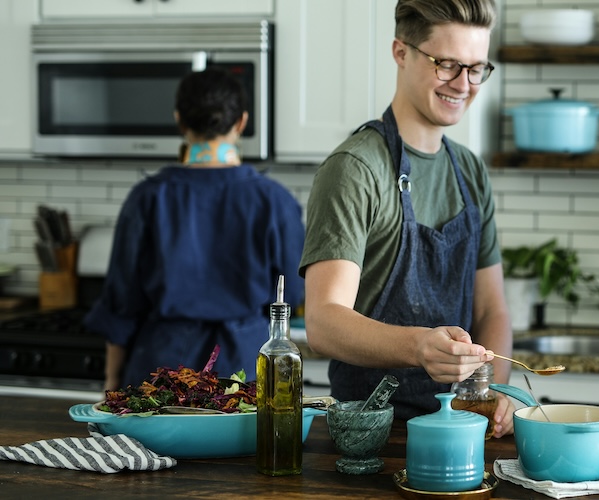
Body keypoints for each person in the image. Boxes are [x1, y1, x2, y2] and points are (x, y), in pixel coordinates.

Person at [298, 0, 514, 435]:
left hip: (462, 428)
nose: (464, 84)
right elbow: (322, 321)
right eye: (447, 65)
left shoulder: (470, 170)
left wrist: (497, 389)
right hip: (372, 436)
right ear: (401, 52)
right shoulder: (355, 169)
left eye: (476, 69)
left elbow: (491, 308)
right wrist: (419, 346)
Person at [85, 67, 305, 391]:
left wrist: (112, 385)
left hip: (160, 371)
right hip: (245, 371)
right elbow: (294, 294)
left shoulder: (147, 197)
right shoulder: (275, 201)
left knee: (146, 446)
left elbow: (121, 306)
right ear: (241, 122)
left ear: (179, 121)